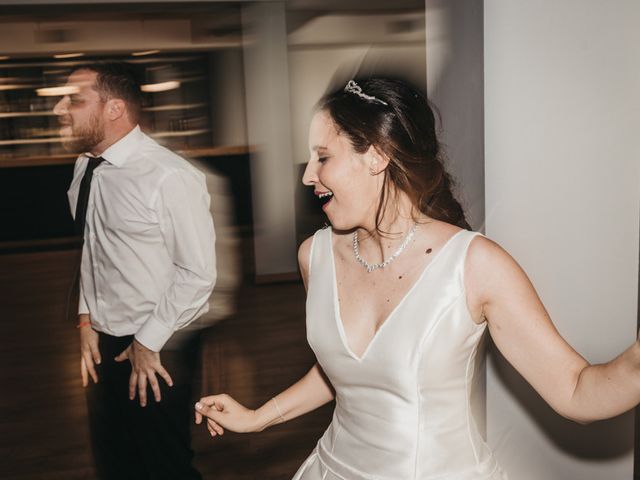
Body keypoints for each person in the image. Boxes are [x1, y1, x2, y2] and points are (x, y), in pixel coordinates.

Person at [194, 77, 640, 479]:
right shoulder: (315, 255)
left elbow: (578, 392)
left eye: (323, 157)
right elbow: (344, 371)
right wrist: (258, 416)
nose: (309, 175)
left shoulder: (475, 266)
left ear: (377, 156)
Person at [56, 62, 216, 480]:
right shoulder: (84, 168)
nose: (60, 108)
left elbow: (198, 273)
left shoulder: (171, 177)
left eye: (74, 100)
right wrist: (86, 317)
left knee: (164, 465)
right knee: (115, 459)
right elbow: (92, 249)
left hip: (160, 341)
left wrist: (147, 341)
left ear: (114, 109)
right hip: (104, 341)